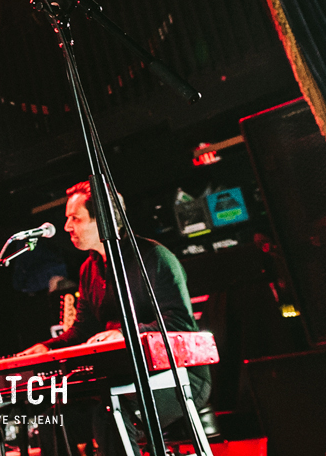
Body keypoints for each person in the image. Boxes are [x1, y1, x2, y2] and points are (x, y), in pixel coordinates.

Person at [16, 181, 210, 452]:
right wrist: (45, 349)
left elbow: (179, 323)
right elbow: (82, 331)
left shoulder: (153, 257)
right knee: (54, 415)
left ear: (104, 220)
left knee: (111, 413)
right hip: (121, 377)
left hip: (176, 377)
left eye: (75, 218)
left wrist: (124, 333)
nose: (67, 227)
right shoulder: (89, 269)